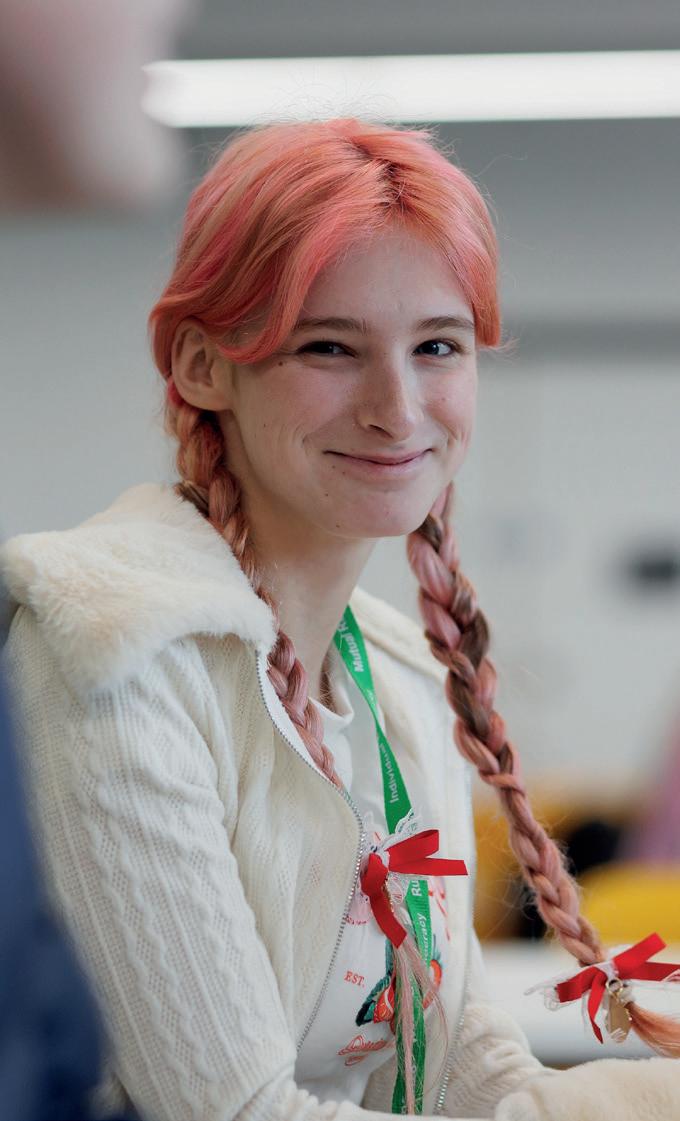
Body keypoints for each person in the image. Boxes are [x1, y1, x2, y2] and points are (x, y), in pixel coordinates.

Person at [1, 116, 679, 1121]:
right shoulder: (117, 653)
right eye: (329, 346)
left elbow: (461, 1072)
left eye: (437, 346)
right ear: (200, 364)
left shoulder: (394, 676)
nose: (396, 408)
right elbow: (234, 1113)